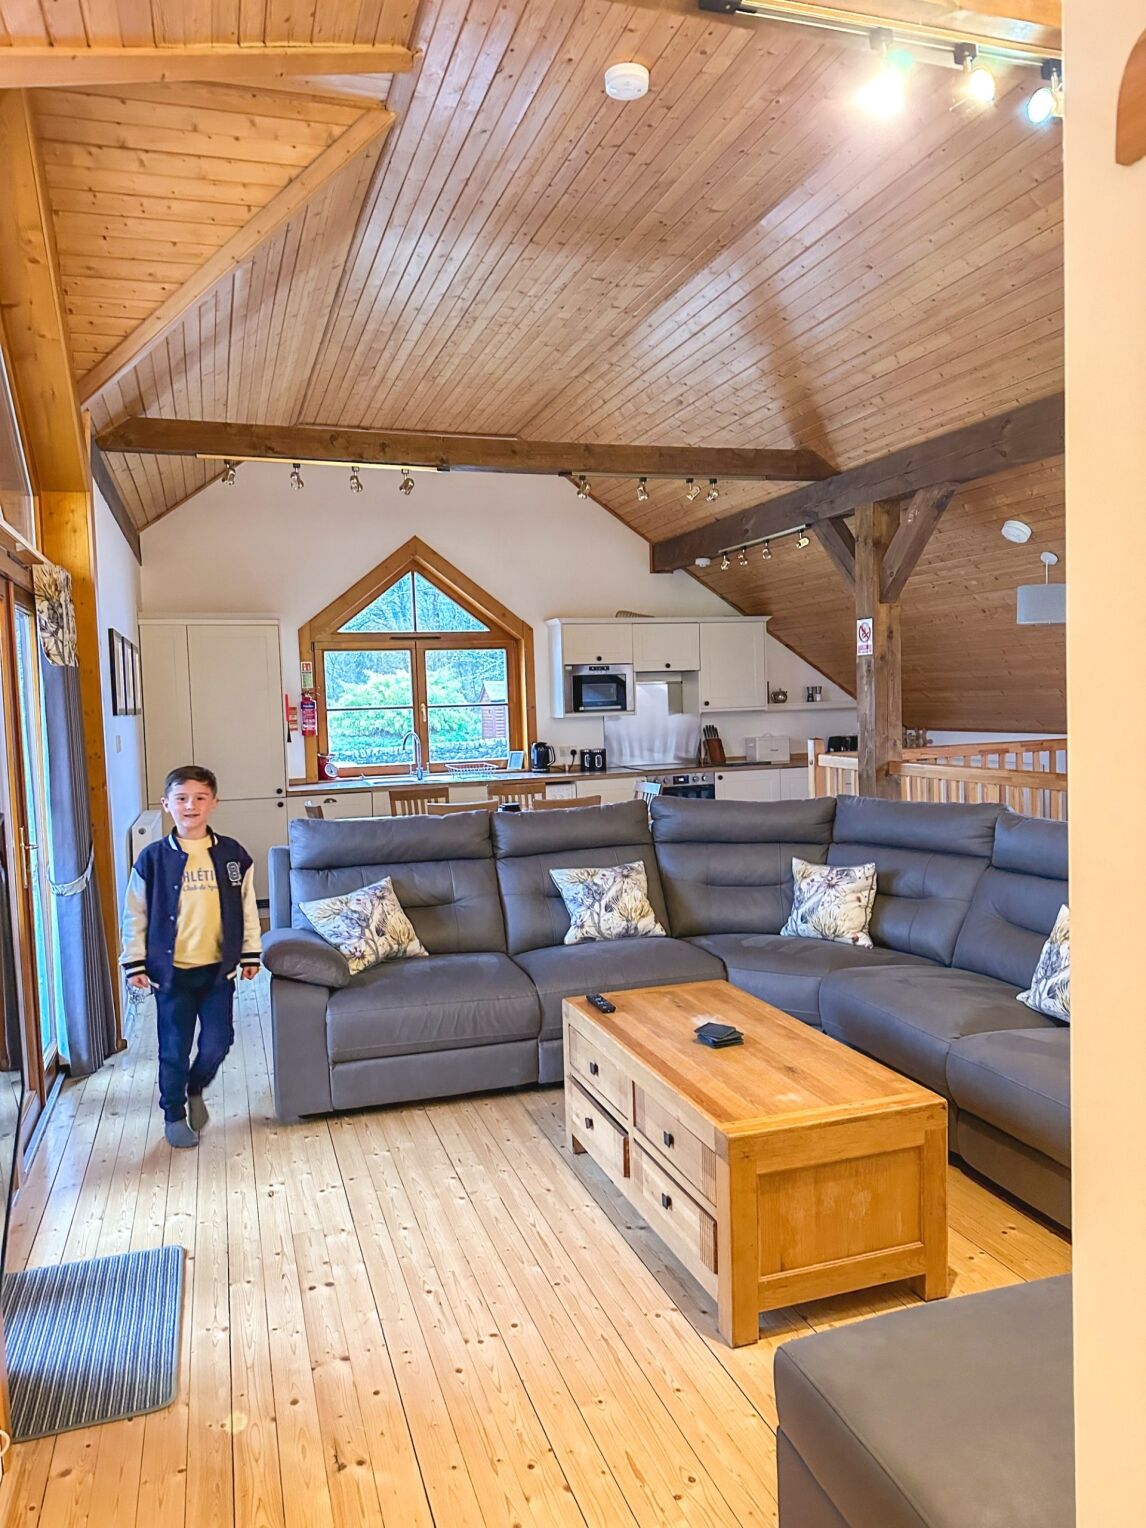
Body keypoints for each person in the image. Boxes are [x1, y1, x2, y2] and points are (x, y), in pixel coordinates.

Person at [120, 765, 262, 1148]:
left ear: (214, 803)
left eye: (200, 798)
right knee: (174, 1048)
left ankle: (194, 1086)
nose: (190, 806)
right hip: (172, 975)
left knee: (218, 1041)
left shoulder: (233, 855)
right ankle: (173, 1113)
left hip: (218, 972)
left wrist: (250, 953)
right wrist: (134, 961)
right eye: (181, 798)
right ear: (167, 805)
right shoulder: (151, 859)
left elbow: (247, 907)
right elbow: (136, 913)